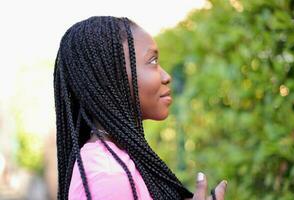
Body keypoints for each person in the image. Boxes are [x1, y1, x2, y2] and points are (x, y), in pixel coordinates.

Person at [53, 16, 227, 200]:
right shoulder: (110, 177)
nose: (166, 76)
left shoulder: (116, 160)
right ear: (111, 76)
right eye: (152, 61)